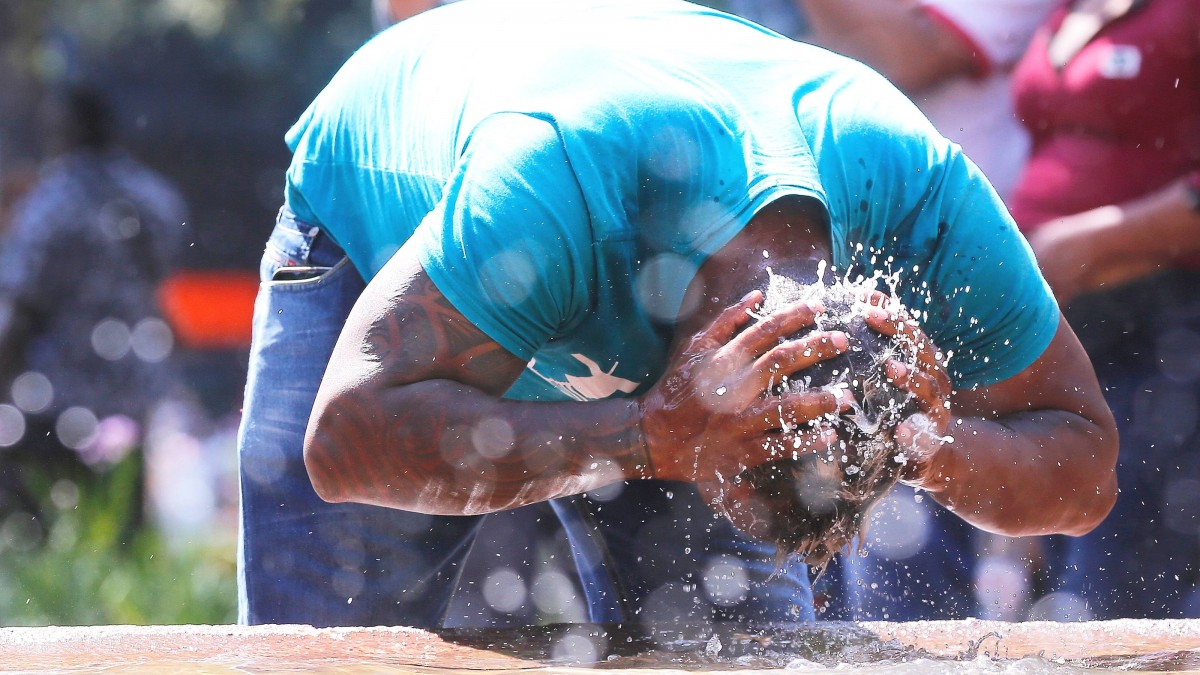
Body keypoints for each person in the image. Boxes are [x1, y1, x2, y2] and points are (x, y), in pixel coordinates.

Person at [237, 0, 1117, 628]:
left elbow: (1088, 465)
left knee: (749, 645)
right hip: (381, 193)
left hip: (632, 240)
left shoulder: (920, 201)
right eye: (718, 477)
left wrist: (936, 444)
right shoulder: (555, 181)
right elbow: (344, 437)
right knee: (332, 643)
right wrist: (650, 441)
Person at [742, 0, 1059, 622]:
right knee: (838, 593)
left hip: (966, 279)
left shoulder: (929, 193)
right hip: (856, 274)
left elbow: (897, 56)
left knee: (911, 584)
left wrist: (937, 453)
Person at [1007, 0, 1200, 620]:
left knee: (1117, 598)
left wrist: (1086, 244)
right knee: (1047, 594)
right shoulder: (1063, 10)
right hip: (1065, 331)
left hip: (1166, 330)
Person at [0, 85, 187, 535]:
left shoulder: (51, 202)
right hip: (132, 387)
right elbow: (160, 275)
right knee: (122, 516)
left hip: (56, 393)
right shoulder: (153, 195)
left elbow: (25, 302)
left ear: (65, 130)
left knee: (48, 519)